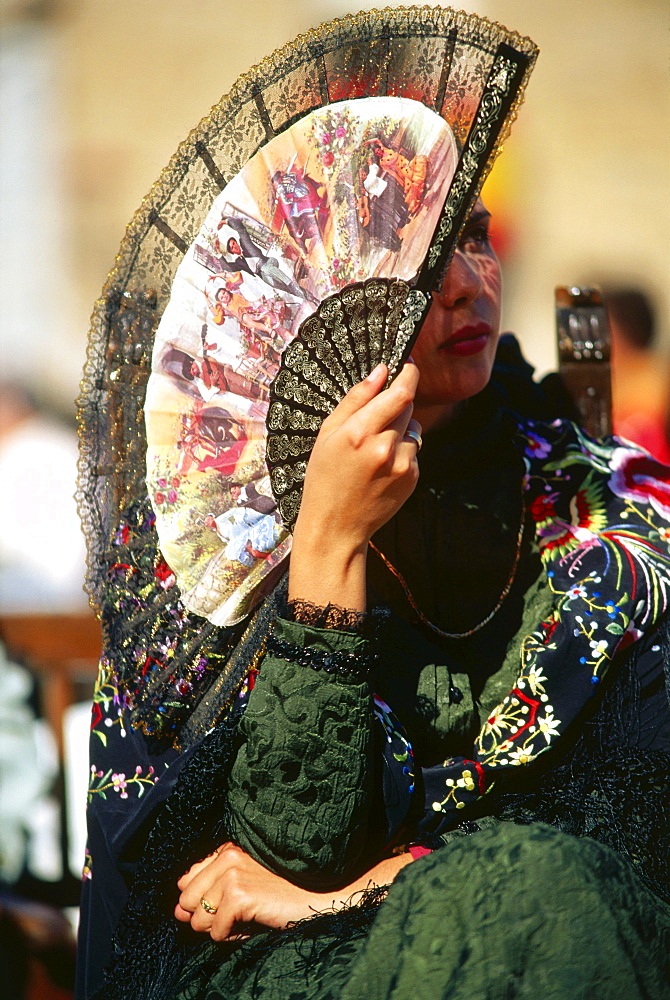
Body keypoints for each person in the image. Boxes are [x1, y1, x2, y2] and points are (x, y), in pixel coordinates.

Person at [76, 198, 670, 1000]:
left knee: (546, 896)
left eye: (473, 237)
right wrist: (329, 542)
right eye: (419, 255)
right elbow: (274, 854)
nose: (467, 284)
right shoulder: (210, 528)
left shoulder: (605, 499)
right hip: (285, 970)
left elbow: (633, 825)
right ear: (313, 291)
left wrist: (366, 887)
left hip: (551, 921)